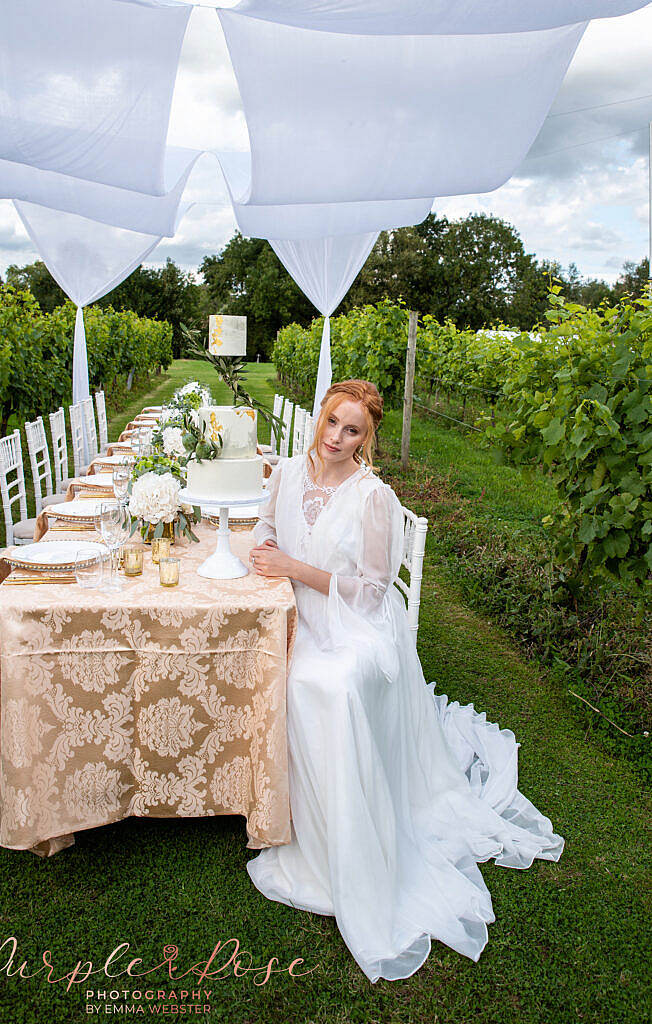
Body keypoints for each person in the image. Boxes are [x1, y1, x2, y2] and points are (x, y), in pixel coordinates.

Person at [247, 379, 564, 983]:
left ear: (368, 439)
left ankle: (339, 852)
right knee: (263, 666)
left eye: (353, 431)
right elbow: (264, 528)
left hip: (352, 628)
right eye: (333, 423)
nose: (337, 439)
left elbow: (369, 595)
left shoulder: (374, 499)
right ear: (320, 417)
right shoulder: (287, 472)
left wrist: (293, 567)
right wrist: (268, 550)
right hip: (295, 612)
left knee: (327, 689)